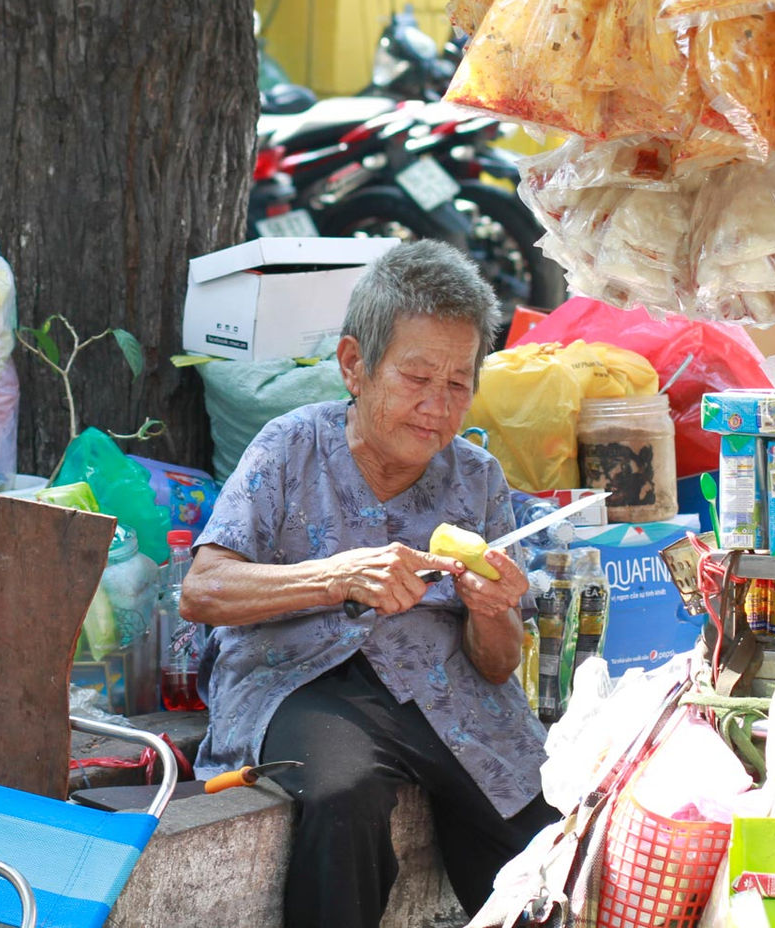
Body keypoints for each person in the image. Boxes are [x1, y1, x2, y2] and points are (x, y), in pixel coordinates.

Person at [183, 241, 555, 928]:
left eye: (457, 384)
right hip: (298, 678)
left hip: (441, 688)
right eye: (417, 378)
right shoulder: (291, 446)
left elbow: (499, 665)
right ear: (354, 364)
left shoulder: (476, 479)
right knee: (345, 796)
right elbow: (203, 591)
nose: (437, 407)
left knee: (539, 825)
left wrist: (492, 610)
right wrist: (335, 575)